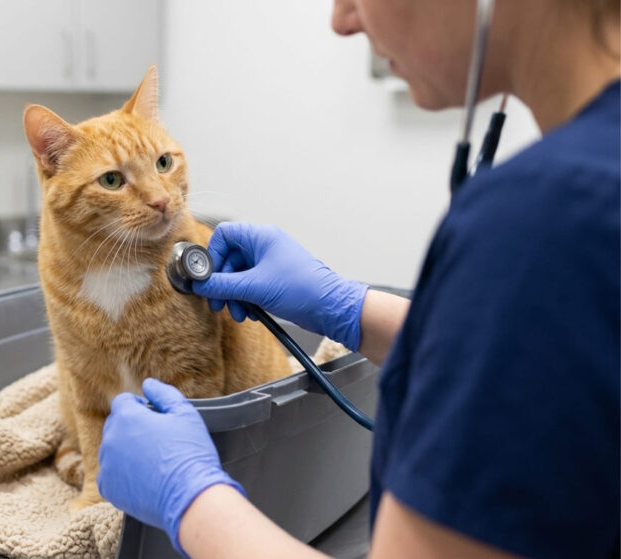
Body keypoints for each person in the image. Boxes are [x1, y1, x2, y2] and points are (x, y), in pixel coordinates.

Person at [96, 0, 621, 557]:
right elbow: (547, 363)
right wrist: (350, 308)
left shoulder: (550, 218)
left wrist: (192, 501)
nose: (342, 20)